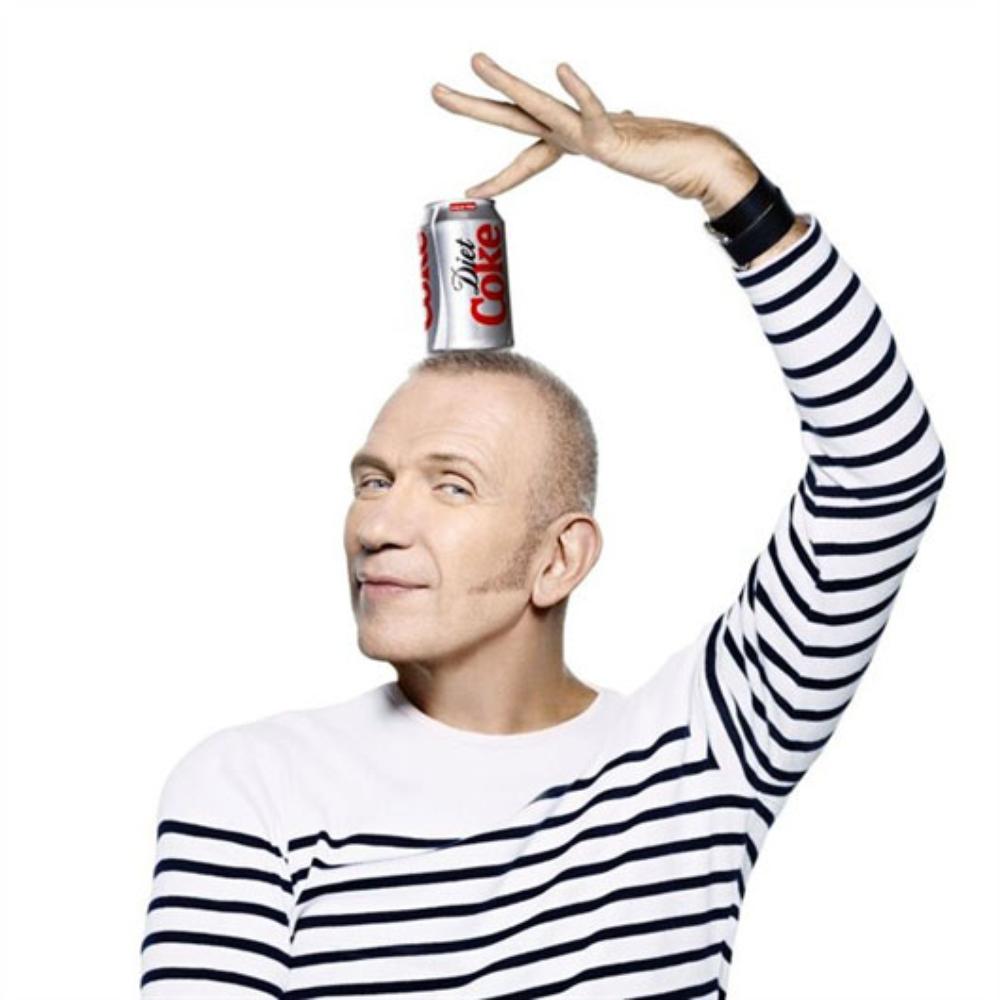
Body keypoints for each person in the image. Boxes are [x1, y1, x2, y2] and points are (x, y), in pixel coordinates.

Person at [140, 53, 947, 999]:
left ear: (560, 558)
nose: (379, 524)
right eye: (373, 480)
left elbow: (884, 471)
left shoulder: (699, 752)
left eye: (452, 487)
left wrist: (728, 184)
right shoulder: (251, 787)